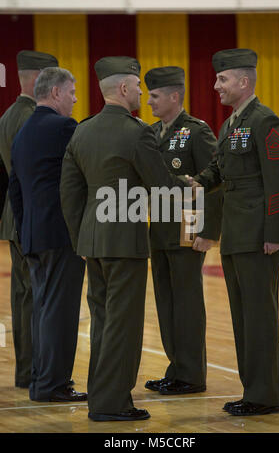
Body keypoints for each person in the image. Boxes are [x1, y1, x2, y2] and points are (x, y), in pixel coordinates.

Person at [60, 56, 190, 421]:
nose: (140, 95)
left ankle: (100, 398)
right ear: (122, 88)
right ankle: (112, 404)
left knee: (103, 323)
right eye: (136, 88)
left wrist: (80, 240)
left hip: (92, 242)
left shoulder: (81, 131)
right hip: (125, 242)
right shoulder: (137, 132)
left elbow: (69, 194)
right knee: (123, 327)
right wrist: (189, 184)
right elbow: (161, 185)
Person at [190, 48, 279, 416]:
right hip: (237, 232)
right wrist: (194, 182)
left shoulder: (265, 120)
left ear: (243, 81)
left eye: (222, 79)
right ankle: (254, 391)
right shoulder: (231, 123)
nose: (215, 85)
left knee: (259, 317)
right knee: (242, 316)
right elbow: (219, 171)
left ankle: (264, 395)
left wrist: (276, 232)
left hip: (259, 236)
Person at [8, 67, 87, 402]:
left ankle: (42, 380)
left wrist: (26, 229)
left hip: (32, 234)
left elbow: (15, 188)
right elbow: (81, 175)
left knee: (42, 310)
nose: (74, 99)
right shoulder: (63, 127)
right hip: (60, 234)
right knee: (60, 312)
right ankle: (52, 385)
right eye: (71, 93)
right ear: (55, 92)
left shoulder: (23, 131)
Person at [143, 66, 222, 395]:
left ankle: (191, 376)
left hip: (189, 226)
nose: (149, 102)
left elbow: (215, 181)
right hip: (158, 228)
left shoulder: (196, 131)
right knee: (166, 301)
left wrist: (209, 231)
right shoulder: (151, 132)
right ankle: (176, 368)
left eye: (155, 96)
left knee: (186, 302)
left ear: (175, 96)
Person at [0, 50, 59, 388]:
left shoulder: (9, 114)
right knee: (37, 296)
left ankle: (26, 371)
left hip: (14, 213)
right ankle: (37, 370)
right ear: (38, 78)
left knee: (23, 296)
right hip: (32, 215)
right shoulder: (31, 117)